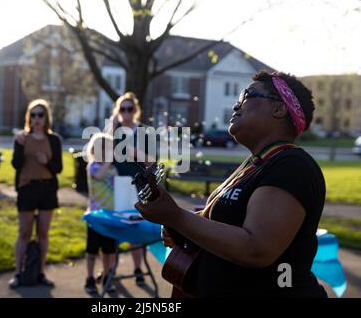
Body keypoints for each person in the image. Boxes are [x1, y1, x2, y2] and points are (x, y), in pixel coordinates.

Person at [135, 70, 328, 298]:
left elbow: (256, 249)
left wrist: (176, 216)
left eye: (247, 96)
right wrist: (185, 227)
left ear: (279, 109)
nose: (237, 106)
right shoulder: (255, 164)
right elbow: (228, 224)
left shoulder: (293, 165)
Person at [9, 99, 63, 288]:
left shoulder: (54, 139)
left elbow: (58, 168)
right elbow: (15, 165)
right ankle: (17, 274)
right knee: (24, 233)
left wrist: (45, 161)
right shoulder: (22, 138)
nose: (37, 118)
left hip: (47, 189)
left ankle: (40, 272)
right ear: (29, 118)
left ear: (46, 117)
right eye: (33, 115)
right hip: (27, 189)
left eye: (40, 115)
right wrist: (18, 144)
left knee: (43, 234)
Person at [107, 92, 154, 286]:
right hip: (117, 186)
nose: (126, 113)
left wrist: (135, 152)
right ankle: (111, 270)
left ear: (136, 111)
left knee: (135, 226)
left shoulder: (143, 131)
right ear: (118, 112)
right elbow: (103, 156)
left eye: (130, 109)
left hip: (139, 186)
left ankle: (137, 269)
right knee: (116, 227)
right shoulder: (113, 131)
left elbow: (152, 161)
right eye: (122, 109)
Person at [84, 133, 118, 294]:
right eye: (102, 149)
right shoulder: (93, 166)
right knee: (92, 251)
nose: (105, 152)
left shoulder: (113, 169)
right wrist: (108, 161)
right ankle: (90, 277)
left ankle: (106, 276)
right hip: (96, 217)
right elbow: (99, 176)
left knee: (108, 251)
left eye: (108, 148)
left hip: (111, 216)